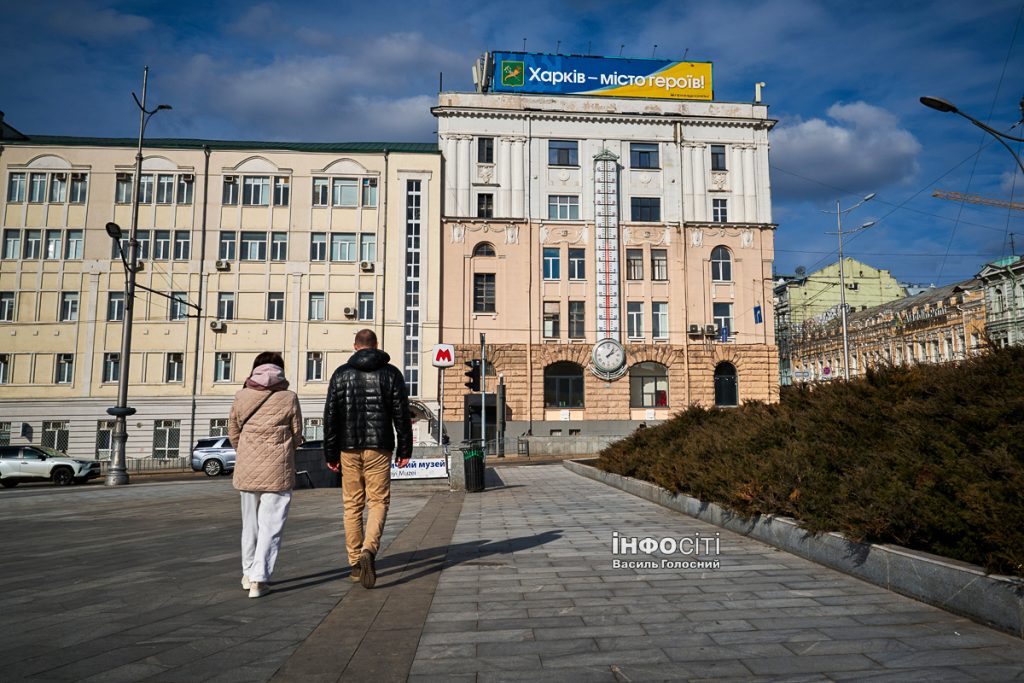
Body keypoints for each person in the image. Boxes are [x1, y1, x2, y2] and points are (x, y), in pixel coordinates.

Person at [324, 329, 412, 589]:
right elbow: (401, 415)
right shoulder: (391, 373)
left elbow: (331, 416)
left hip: (347, 448)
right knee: (378, 502)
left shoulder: (341, 374)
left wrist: (330, 453)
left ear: (355, 346)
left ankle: (354, 563)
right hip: (379, 447)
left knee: (352, 505)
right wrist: (405, 450)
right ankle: (369, 551)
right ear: (376, 345)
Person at [228, 352, 303, 598]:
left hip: (248, 469)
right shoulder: (289, 397)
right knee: (271, 525)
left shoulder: (241, 396)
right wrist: (282, 450)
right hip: (278, 470)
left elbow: (233, 432)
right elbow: (297, 434)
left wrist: (248, 450)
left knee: (249, 525)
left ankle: (247, 574)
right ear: (280, 370)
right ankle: (260, 579)